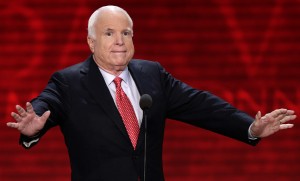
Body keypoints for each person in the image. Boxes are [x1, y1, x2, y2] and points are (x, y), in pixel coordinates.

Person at [6, 5, 296, 181]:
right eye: (109, 34)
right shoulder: (68, 82)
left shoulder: (152, 74)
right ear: (91, 42)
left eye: (127, 33)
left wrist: (250, 126)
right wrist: (33, 130)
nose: (120, 41)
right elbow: (46, 105)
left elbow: (202, 105)